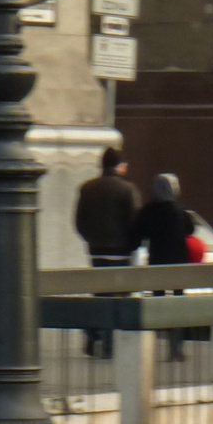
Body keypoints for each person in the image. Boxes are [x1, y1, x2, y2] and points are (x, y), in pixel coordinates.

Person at [74, 146, 141, 358]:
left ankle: (93, 334)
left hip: (96, 251)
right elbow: (134, 222)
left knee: (99, 295)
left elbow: (79, 222)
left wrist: (92, 239)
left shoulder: (87, 188)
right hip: (120, 252)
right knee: (117, 300)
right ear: (119, 166)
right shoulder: (127, 190)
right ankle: (110, 346)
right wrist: (132, 244)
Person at [133, 173, 194, 360]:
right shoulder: (179, 211)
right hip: (178, 263)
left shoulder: (149, 211)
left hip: (157, 262)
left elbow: (138, 232)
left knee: (157, 305)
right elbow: (191, 229)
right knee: (178, 305)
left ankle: (151, 348)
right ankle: (176, 348)